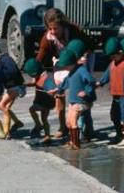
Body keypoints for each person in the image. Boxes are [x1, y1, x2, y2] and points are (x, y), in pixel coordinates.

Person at [36, 8, 90, 138]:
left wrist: (81, 61)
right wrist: (36, 74)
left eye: (56, 28)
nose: (53, 32)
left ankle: (85, 127)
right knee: (59, 94)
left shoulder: (74, 31)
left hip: (80, 59)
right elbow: (40, 59)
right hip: (61, 62)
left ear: (62, 25)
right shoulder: (47, 38)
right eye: (50, 29)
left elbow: (88, 47)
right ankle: (63, 127)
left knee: (78, 95)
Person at [97, 37, 124, 146]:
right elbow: (107, 74)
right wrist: (100, 83)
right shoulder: (113, 62)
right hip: (116, 93)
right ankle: (119, 134)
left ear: (121, 52)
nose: (112, 58)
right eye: (111, 57)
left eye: (114, 56)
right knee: (114, 114)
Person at [56, 49, 96, 150]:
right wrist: (57, 90)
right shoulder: (71, 72)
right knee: (69, 122)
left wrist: (86, 91)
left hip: (80, 101)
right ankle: (72, 141)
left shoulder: (81, 70)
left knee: (73, 120)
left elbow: (91, 81)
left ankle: (76, 144)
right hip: (73, 100)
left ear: (71, 63)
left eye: (66, 66)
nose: (65, 68)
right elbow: (65, 82)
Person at [0, 42, 25, 139]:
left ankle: (7, 132)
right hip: (14, 87)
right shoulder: (2, 60)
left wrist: (0, 76)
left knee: (2, 106)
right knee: (6, 107)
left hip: (16, 87)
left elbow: (11, 71)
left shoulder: (5, 59)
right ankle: (17, 122)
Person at [23, 58, 56, 144]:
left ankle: (39, 126)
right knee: (44, 118)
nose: (33, 78)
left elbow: (52, 87)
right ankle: (47, 134)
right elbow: (35, 83)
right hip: (41, 100)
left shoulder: (46, 78)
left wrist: (52, 92)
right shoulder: (39, 76)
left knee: (33, 110)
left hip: (45, 101)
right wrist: (27, 84)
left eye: (32, 75)